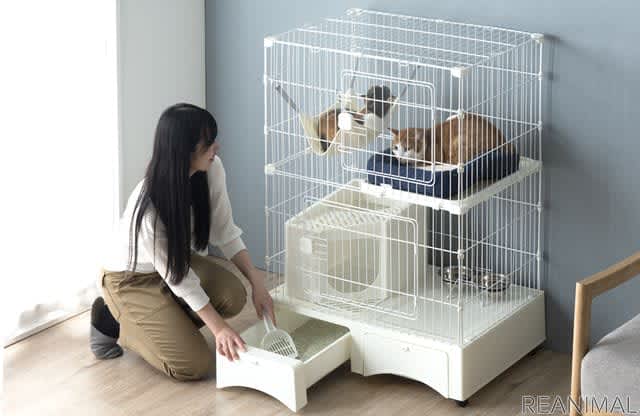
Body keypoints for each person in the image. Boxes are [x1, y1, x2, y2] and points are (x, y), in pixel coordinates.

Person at [89, 103, 274, 381]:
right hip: (130, 280)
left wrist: (258, 285)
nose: (216, 147)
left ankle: (165, 321)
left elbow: (225, 232)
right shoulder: (149, 208)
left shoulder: (211, 168)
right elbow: (179, 279)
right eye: (208, 143)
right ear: (184, 150)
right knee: (192, 365)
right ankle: (111, 318)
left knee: (233, 296)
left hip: (173, 265)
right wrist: (219, 329)